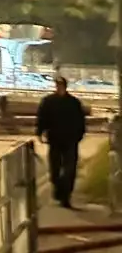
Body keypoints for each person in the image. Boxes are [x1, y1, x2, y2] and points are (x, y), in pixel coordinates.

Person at [36, 75, 86, 208]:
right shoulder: (48, 101)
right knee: (55, 169)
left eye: (61, 85)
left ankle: (66, 196)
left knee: (70, 169)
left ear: (65, 86)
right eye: (57, 85)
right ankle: (58, 189)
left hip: (70, 140)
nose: (59, 87)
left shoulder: (73, 103)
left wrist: (79, 135)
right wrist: (39, 132)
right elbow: (42, 118)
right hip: (55, 140)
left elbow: (80, 120)